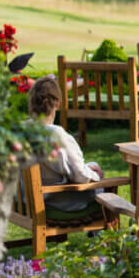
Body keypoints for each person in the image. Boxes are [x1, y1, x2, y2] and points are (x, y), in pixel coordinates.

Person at [28, 75, 105, 212]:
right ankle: (101, 231)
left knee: (92, 166)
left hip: (27, 201)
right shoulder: (55, 134)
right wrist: (96, 175)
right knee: (101, 179)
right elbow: (80, 176)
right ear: (57, 103)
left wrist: (89, 168)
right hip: (56, 202)